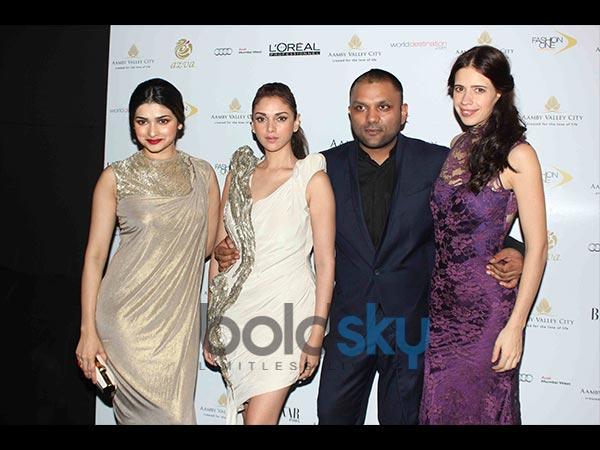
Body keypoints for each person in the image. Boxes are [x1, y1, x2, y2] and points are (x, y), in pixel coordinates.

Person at [214, 69, 524, 425]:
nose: (372, 118)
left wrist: (515, 248)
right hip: (348, 321)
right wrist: (227, 247)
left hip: (409, 323)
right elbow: (275, 221)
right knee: (333, 416)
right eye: (361, 108)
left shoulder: (436, 161)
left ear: (403, 112)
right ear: (350, 113)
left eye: (383, 107)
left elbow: (470, 218)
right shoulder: (323, 168)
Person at [75, 78, 220, 424]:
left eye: (163, 120)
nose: (152, 131)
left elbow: (207, 248)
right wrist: (87, 330)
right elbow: (95, 258)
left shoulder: (204, 175)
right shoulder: (115, 177)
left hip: (177, 325)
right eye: (142, 121)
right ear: (132, 125)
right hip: (124, 321)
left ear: (180, 121)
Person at [419, 45, 547, 425]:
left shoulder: (518, 155)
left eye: (478, 89)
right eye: (459, 89)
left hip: (487, 315)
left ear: (499, 93)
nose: (466, 100)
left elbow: (538, 246)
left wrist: (515, 326)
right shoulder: (457, 146)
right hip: (442, 313)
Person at [202, 82, 335, 425]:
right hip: (238, 311)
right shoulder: (237, 176)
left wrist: (316, 334)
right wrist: (211, 324)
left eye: (281, 118)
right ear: (251, 124)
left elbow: (325, 263)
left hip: (287, 312)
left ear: (296, 121)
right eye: (262, 119)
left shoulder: (312, 179)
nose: (271, 128)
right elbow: (219, 254)